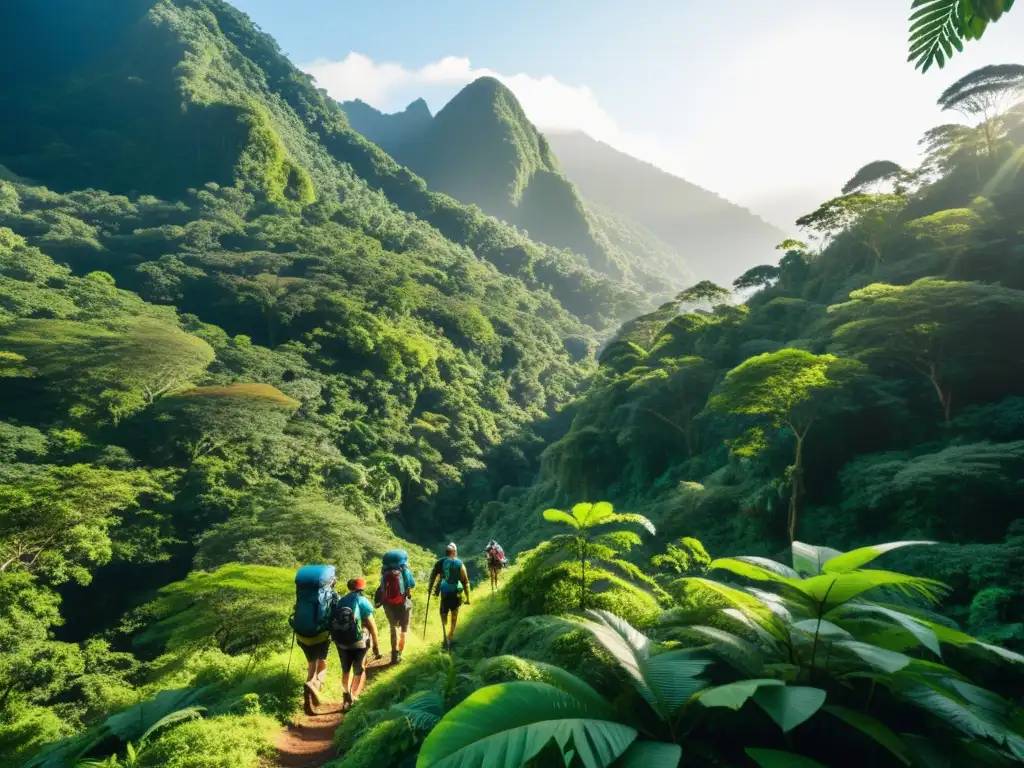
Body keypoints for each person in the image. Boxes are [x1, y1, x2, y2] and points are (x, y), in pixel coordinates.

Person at [290, 565, 337, 716]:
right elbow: (336, 613)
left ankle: (310, 694)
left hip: (302, 635)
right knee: (322, 661)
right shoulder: (332, 595)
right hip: (320, 634)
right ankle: (315, 687)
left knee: (311, 662)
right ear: (331, 581)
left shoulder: (302, 595)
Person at [331, 577, 380, 712]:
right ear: (361, 589)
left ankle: (346, 692)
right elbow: (372, 625)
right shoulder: (362, 600)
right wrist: (376, 645)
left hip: (341, 642)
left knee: (345, 670)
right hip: (358, 642)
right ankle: (353, 695)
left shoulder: (341, 601)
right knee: (358, 669)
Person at [428, 543, 470, 650]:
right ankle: (450, 635)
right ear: (454, 552)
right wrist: (467, 597)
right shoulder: (459, 563)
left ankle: (444, 635)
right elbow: (465, 581)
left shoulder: (440, 562)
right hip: (456, 593)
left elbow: (433, 575)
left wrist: (430, 589)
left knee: (443, 612)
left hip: (445, 593)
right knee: (454, 613)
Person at [377, 549, 416, 665]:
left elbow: (382, 588)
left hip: (388, 604)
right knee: (404, 629)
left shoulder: (384, 573)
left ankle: (393, 652)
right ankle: (400, 653)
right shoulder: (404, 571)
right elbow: (412, 584)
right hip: (403, 602)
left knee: (393, 627)